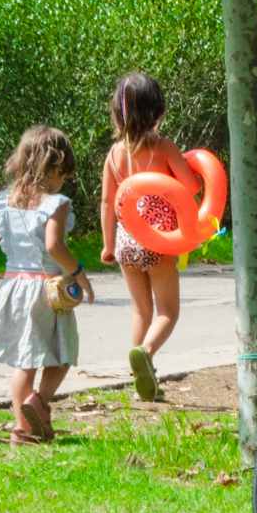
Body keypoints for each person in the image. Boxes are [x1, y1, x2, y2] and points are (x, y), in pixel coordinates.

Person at [0, 126, 91, 447]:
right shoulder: (56, 203)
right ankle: (39, 402)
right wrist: (79, 273)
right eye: (63, 173)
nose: (63, 180)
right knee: (63, 353)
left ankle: (23, 427)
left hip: (14, 286)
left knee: (24, 362)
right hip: (48, 290)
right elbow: (54, 245)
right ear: (53, 168)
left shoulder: (4, 202)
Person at [100, 72, 199, 402]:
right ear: (159, 111)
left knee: (140, 311)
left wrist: (107, 245)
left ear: (117, 113)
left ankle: (141, 378)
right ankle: (146, 352)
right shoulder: (164, 148)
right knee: (167, 312)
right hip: (159, 240)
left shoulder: (114, 154)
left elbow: (107, 202)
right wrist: (197, 175)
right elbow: (190, 187)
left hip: (127, 241)